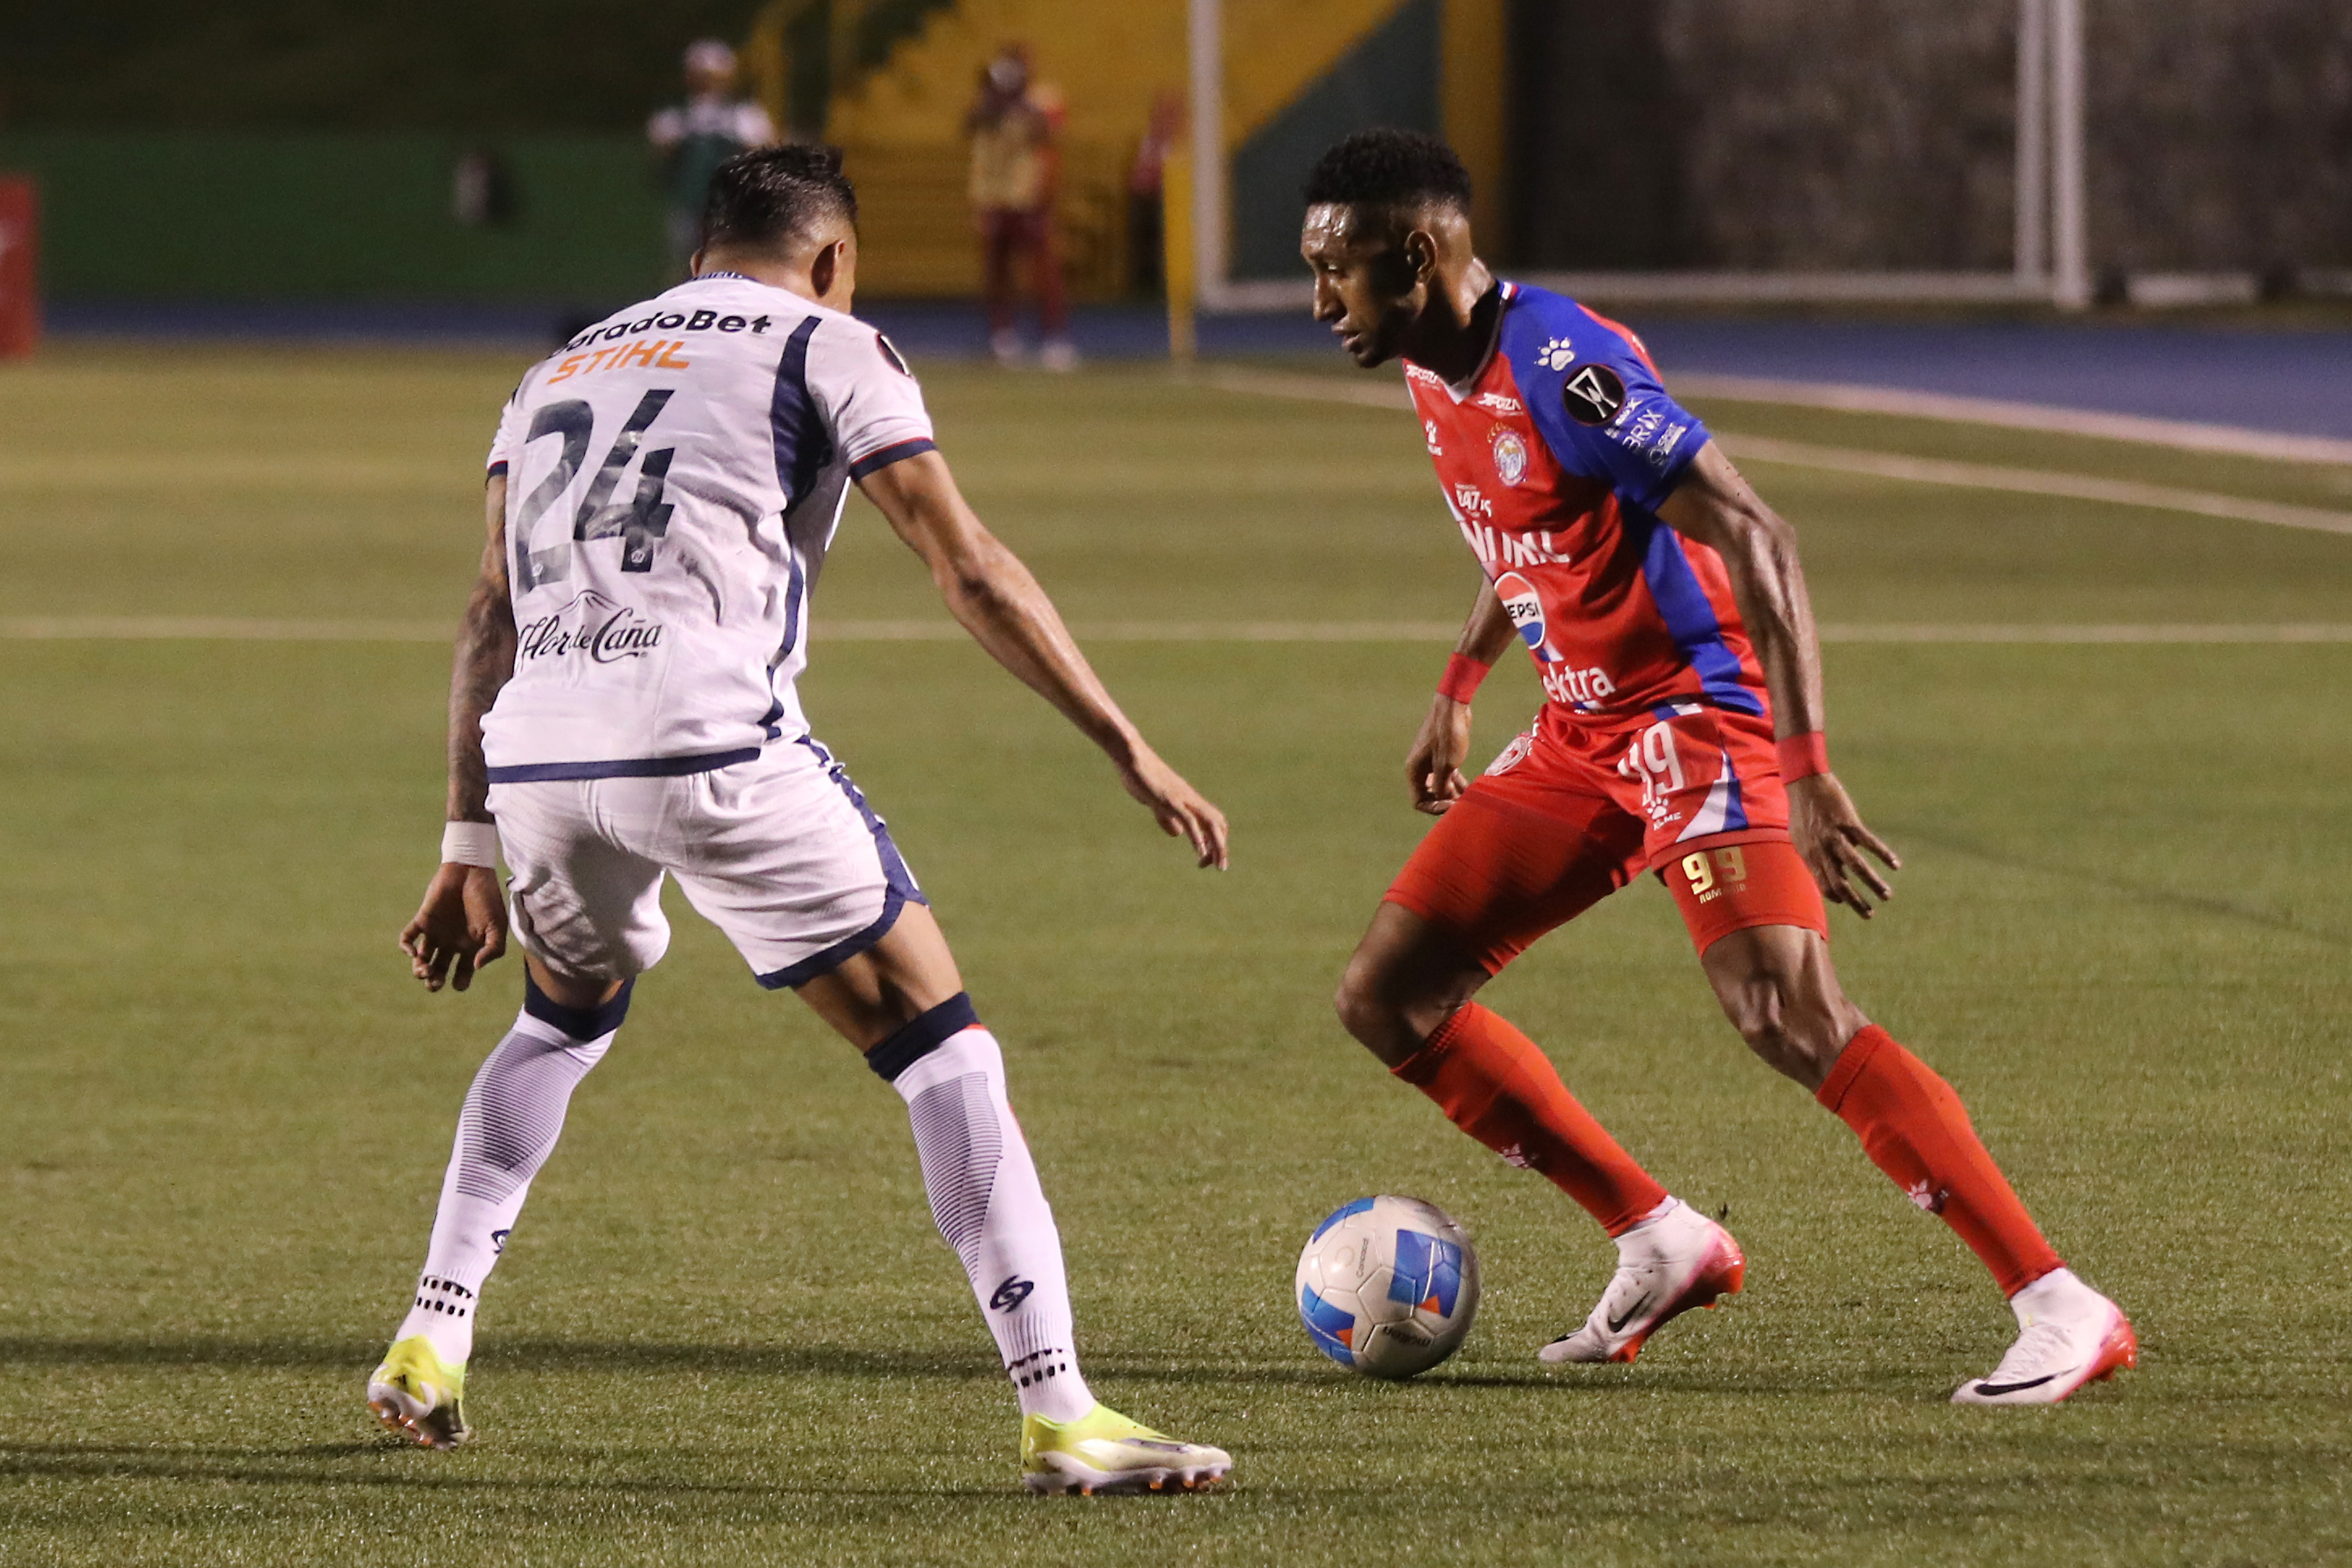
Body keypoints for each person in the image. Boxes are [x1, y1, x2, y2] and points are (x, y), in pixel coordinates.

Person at [369, 145, 1233, 1495]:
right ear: (829, 259)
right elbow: (968, 564)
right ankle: (1061, 1410)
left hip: (533, 756)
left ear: (703, 247)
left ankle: (431, 1329)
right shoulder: (830, 343)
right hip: (708, 743)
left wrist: (463, 843)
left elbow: (488, 608)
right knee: (942, 1051)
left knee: (561, 1015)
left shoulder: (558, 368)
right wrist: (1127, 743)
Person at [1301, 129, 2134, 1406]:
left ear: (1416, 255)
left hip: (1696, 717)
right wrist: (1459, 684)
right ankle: (1660, 1235)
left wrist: (1801, 766)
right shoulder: (1429, 364)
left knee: (1782, 1009)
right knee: (1387, 993)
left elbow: (1755, 529)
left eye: (1337, 271)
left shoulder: (1563, 368)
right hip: (1584, 732)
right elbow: (1520, 526)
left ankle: (2058, 1303)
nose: (1319, 302)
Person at [965, 44, 1074, 370]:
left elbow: (1048, 132)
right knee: (997, 269)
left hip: (1028, 195)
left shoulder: (1042, 99)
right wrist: (995, 97)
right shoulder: (988, 103)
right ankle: (1003, 335)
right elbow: (970, 123)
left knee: (1044, 270)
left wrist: (1018, 100)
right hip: (991, 196)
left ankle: (1054, 338)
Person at [647, 39, 778, 278]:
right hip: (689, 206)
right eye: (701, 76)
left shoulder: (746, 116)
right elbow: (662, 156)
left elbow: (763, 153)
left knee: (734, 263)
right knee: (687, 263)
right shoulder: (675, 117)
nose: (708, 84)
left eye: (714, 76)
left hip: (733, 207)